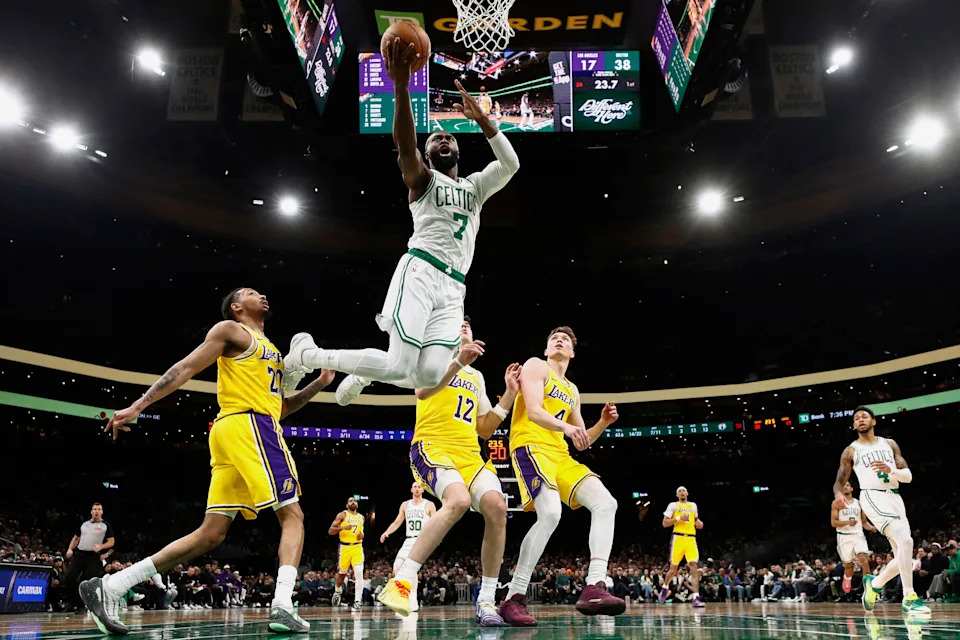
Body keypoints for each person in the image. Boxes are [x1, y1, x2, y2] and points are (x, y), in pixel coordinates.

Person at [80, 288, 334, 635]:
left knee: (211, 534)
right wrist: (139, 405)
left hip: (239, 430)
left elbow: (280, 407)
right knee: (293, 516)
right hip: (250, 426)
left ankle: (111, 586)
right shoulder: (232, 330)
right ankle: (283, 605)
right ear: (236, 307)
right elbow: (185, 367)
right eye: (251, 292)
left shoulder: (269, 350)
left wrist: (319, 383)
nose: (261, 294)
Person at [283, 38, 520, 407]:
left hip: (455, 287)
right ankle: (307, 355)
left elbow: (511, 165)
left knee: (428, 375)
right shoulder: (423, 180)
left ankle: (364, 371)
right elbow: (406, 146)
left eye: (449, 137)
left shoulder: (475, 187)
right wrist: (401, 85)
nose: (443, 139)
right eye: (436, 139)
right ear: (428, 154)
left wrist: (484, 121)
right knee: (398, 365)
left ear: (459, 149)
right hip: (422, 271)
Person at [379, 317, 521, 627]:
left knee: (497, 506)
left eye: (467, 323)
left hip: (469, 455)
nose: (464, 325)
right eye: (457, 322)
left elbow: (485, 429)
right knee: (457, 500)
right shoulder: (431, 356)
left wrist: (510, 394)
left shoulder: (477, 376)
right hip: (432, 446)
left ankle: (486, 600)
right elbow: (422, 391)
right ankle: (401, 582)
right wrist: (457, 362)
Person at [498, 326, 624, 626]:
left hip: (560, 455)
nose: (559, 340)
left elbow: (583, 440)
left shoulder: (572, 390)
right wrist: (567, 427)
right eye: (554, 338)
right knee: (551, 513)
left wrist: (602, 423)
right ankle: (513, 597)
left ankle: (594, 586)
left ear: (572, 352)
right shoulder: (536, 366)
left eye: (565, 339)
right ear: (546, 349)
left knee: (606, 503)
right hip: (530, 446)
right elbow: (533, 411)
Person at [832, 405, 931, 615]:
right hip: (872, 496)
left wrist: (891, 470)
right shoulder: (851, 450)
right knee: (906, 542)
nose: (860, 419)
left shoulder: (889, 444)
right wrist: (838, 494)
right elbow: (840, 481)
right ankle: (909, 597)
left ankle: (874, 583)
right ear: (854, 425)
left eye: (864, 416)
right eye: (856, 418)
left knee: (904, 554)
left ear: (874, 421)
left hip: (894, 497)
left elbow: (908, 477)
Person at [380, 481, 437, 612]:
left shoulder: (429, 504)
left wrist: (435, 538)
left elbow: (436, 523)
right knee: (397, 567)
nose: (417, 489)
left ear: (423, 490)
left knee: (411, 568)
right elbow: (397, 522)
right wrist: (387, 532)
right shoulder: (405, 505)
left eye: (419, 487)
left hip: (421, 539)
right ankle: (405, 597)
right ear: (411, 490)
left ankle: (412, 598)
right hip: (409, 539)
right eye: (415, 487)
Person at [657, 487, 705, 607]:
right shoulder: (673, 505)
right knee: (673, 569)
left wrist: (698, 523)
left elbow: (696, 519)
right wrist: (679, 518)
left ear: (687, 493)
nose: (682, 492)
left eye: (684, 490)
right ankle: (665, 587)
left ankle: (696, 598)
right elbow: (664, 523)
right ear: (677, 494)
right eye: (680, 491)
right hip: (678, 538)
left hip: (691, 539)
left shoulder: (693, 505)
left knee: (694, 568)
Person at [65, 503, 114, 611]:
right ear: (91, 511)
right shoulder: (84, 524)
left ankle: (79, 604)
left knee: (85, 581)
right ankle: (71, 602)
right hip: (80, 554)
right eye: (95, 509)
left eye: (99, 509)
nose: (97, 511)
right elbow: (76, 538)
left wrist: (101, 546)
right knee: (70, 577)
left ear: (102, 512)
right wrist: (70, 549)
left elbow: (111, 542)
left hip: (93, 557)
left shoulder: (105, 526)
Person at [831, 480, 877, 593]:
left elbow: (864, 522)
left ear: (852, 488)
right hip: (844, 537)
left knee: (864, 560)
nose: (845, 487)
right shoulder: (837, 503)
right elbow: (834, 523)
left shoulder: (859, 503)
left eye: (847, 485)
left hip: (858, 535)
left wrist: (872, 528)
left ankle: (868, 587)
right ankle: (847, 578)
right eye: (843, 486)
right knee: (849, 567)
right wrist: (847, 522)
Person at [329, 497, 366, 611]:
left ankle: (357, 601)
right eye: (350, 501)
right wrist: (343, 527)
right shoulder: (342, 515)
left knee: (359, 573)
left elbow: (361, 532)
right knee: (342, 574)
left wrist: (362, 536)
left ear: (357, 505)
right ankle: (337, 590)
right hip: (344, 548)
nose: (353, 502)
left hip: (357, 547)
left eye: (355, 501)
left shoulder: (362, 517)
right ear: (347, 505)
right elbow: (330, 531)